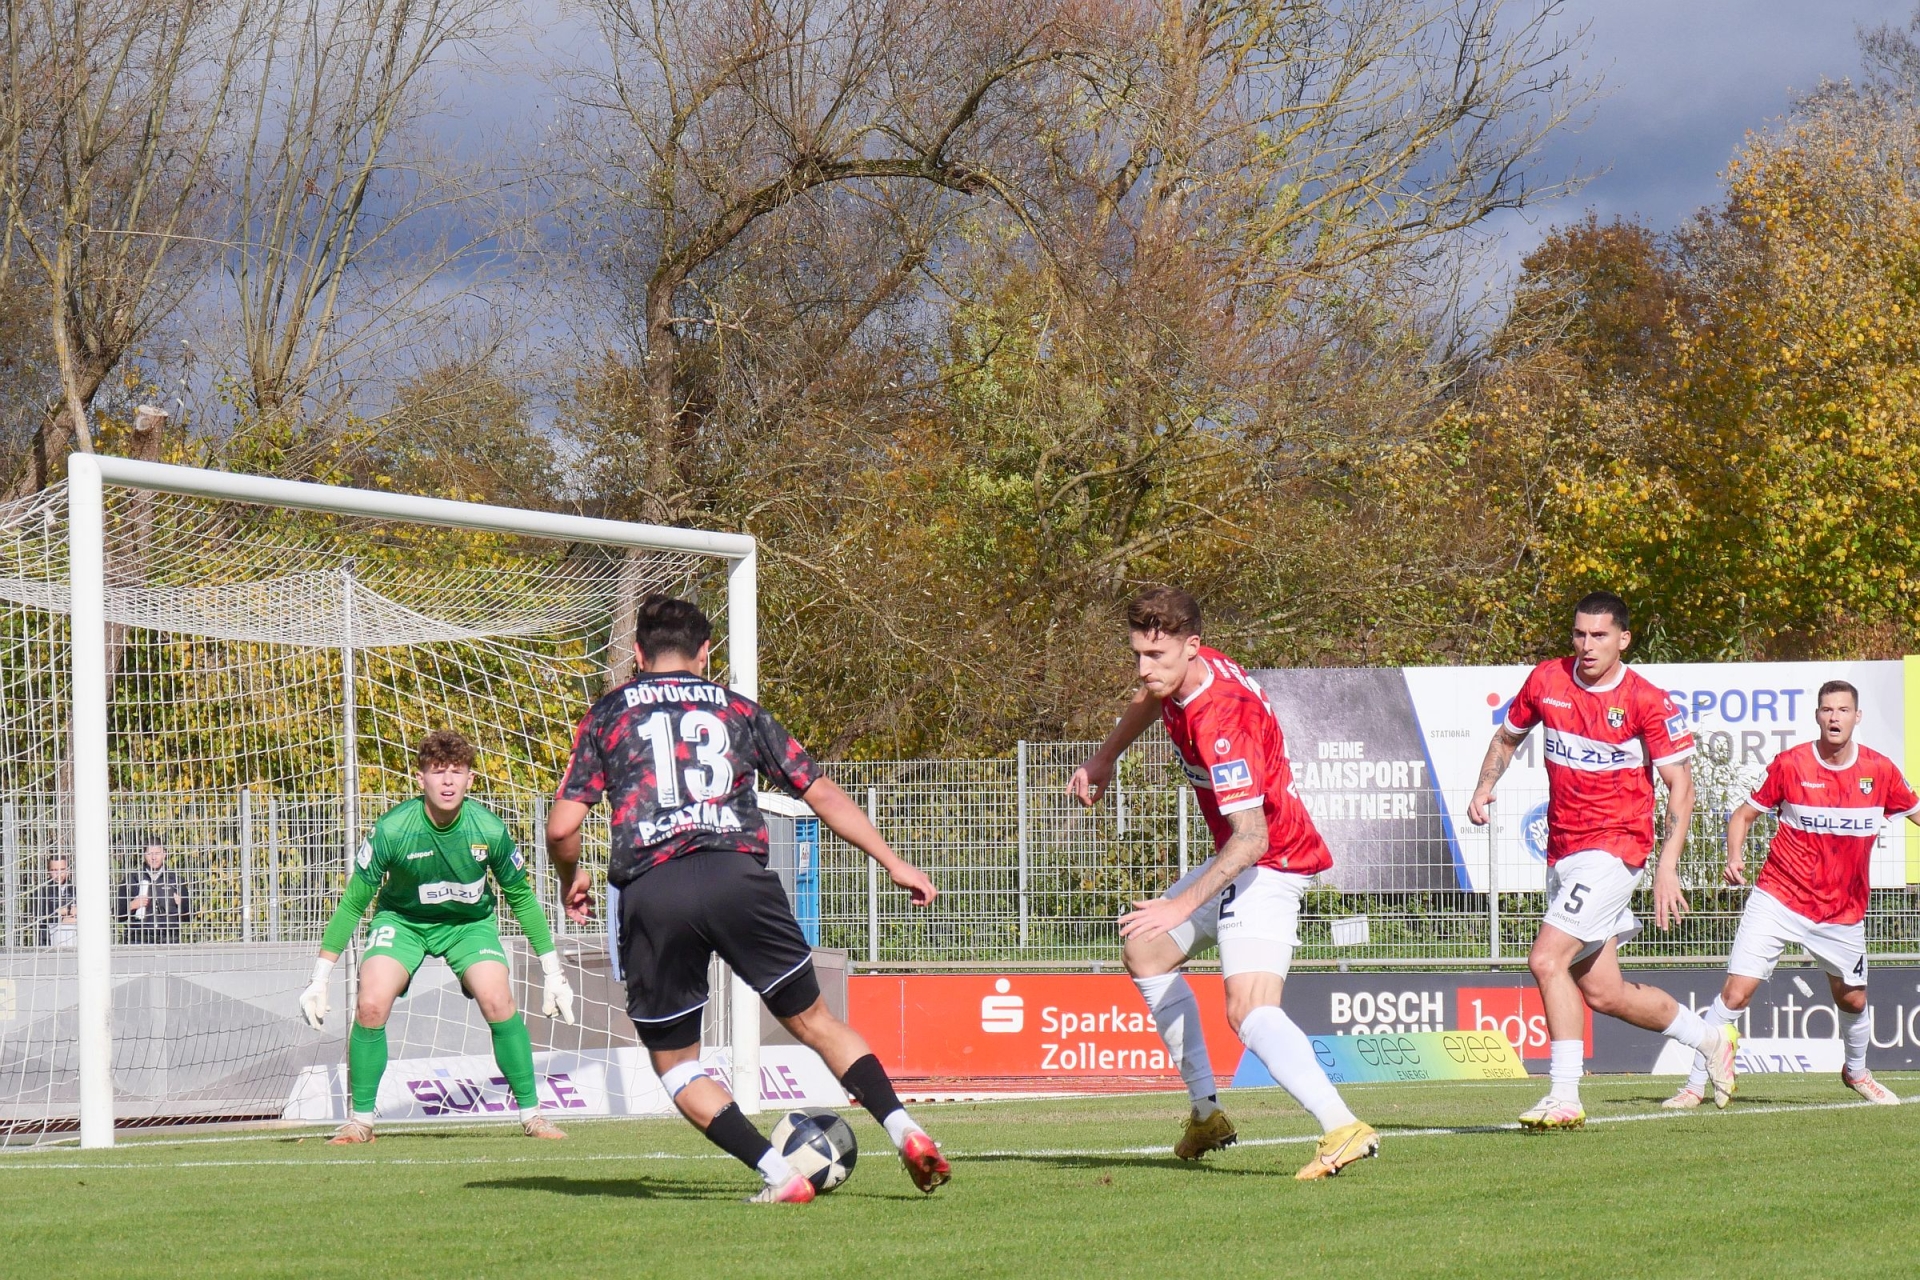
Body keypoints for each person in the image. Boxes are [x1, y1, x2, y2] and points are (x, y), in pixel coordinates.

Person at [545, 594, 948, 1205]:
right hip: (739, 878)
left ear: (637, 654)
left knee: (676, 1062)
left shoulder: (607, 714)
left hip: (655, 890)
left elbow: (560, 828)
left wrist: (569, 875)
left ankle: (778, 1173)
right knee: (817, 1022)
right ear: (706, 652)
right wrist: (893, 862)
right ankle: (905, 1129)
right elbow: (820, 793)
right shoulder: (738, 709)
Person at [1068, 585, 1379, 1181]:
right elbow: (1148, 697)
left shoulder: (1221, 721)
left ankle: (1343, 1126)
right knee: (1145, 949)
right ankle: (1207, 1114)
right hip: (1247, 856)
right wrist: (1105, 756)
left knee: (1249, 1009)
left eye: (1156, 656)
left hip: (1270, 861)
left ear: (1192, 646)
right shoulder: (1185, 672)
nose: (1144, 669)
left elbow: (1252, 837)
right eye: (1138, 654)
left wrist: (1178, 905)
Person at [1468, 590, 1737, 1128]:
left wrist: (1666, 866)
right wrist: (1483, 786)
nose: (1587, 645)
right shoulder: (1547, 680)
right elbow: (1506, 737)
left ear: (1623, 639)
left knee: (1546, 960)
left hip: (1617, 849)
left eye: (1599, 635)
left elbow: (1681, 788)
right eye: (1579, 634)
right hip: (1564, 851)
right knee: (1603, 992)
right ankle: (1711, 1039)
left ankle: (1564, 1095)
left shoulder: (1647, 701)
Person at [298, 729, 578, 1144]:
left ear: (470, 779)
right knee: (370, 1004)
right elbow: (354, 902)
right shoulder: (393, 829)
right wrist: (320, 977)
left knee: (498, 999)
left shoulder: (489, 829)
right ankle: (360, 1122)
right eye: (438, 771)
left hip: (468, 926)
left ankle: (533, 1116)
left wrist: (553, 973)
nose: (447, 781)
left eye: (457, 771)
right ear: (421, 778)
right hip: (403, 923)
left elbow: (521, 898)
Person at [1665, 679, 1919, 1109]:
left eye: (1843, 710)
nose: (1834, 717)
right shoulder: (1792, 764)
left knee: (1853, 998)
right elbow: (1742, 816)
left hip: (1841, 911)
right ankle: (1693, 1086)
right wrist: (1734, 856)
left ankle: (1857, 1072)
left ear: (1857, 717)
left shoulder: (1879, 771)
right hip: (1778, 898)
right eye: (1827, 709)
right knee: (1735, 993)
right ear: (1817, 716)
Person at [117, 839, 192, 944]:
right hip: (138, 940)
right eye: (150, 853)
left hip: (169, 940)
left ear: (164, 854)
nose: (153, 857)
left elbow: (189, 917)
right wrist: (132, 905)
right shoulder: (131, 879)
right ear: (144, 854)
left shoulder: (176, 880)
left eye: (157, 853)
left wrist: (181, 904)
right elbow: (117, 915)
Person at [28, 855, 76, 947]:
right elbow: (38, 916)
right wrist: (62, 917)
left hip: (74, 942)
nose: (58, 874)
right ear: (48, 872)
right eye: (54, 870)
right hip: (48, 943)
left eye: (62, 869)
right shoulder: (41, 891)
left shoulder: (76, 890)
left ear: (68, 870)